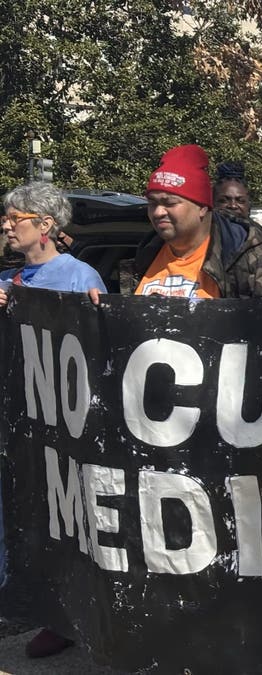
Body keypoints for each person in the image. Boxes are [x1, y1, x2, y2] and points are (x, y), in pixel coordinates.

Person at [0, 181, 105, 659]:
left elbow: (100, 351)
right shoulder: (7, 283)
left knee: (63, 521)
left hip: (64, 429)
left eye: (15, 217)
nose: (5, 224)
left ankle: (68, 619)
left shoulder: (78, 276)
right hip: (13, 424)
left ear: (45, 226)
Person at [133, 145, 262, 298]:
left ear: (202, 207)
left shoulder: (248, 260)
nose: (158, 212)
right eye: (152, 203)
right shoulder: (145, 253)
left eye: (170, 203)